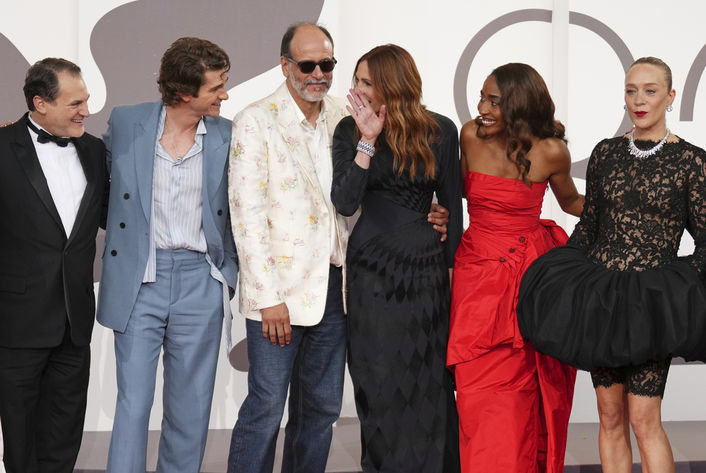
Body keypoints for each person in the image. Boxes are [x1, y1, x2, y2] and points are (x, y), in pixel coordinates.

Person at [227, 25, 448, 473]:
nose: (319, 74)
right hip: (280, 293)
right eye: (308, 65)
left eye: (326, 64)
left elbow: (371, 186)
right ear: (285, 66)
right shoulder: (256, 120)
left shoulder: (343, 115)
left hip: (339, 288)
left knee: (322, 410)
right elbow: (246, 217)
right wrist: (266, 298)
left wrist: (426, 210)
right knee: (267, 407)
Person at [518, 57, 706, 473]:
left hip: (650, 306)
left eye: (650, 91)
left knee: (644, 419)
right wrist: (561, 272)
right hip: (603, 302)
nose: (639, 100)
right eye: (631, 90)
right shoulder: (605, 153)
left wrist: (677, 288)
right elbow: (590, 227)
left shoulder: (692, 162)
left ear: (671, 97)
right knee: (610, 416)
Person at [96, 37, 238, 473]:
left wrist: (226, 274)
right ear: (184, 92)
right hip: (141, 279)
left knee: (191, 408)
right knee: (133, 403)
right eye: (216, 87)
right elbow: (96, 182)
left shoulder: (227, 134)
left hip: (200, 280)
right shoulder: (127, 121)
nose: (225, 94)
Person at [446, 63, 584, 473]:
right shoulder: (469, 135)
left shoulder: (551, 151)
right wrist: (435, 209)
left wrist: (622, 207)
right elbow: (458, 192)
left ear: (520, 105)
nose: (481, 108)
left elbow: (571, 202)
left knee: (527, 394)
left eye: (494, 101)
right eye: (482, 98)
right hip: (477, 274)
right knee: (476, 392)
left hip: (529, 280)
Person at [331, 44, 462, 473]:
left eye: (367, 82)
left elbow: (453, 209)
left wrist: (453, 279)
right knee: (378, 380)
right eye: (356, 80)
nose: (358, 90)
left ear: (393, 84)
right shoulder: (349, 130)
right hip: (371, 270)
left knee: (428, 381)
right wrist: (367, 141)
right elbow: (345, 202)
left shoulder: (441, 130)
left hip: (425, 271)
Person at [0, 58, 106, 473]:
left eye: (86, 100)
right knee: (20, 440)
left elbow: (112, 216)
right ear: (40, 103)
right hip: (17, 322)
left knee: (64, 434)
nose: (86, 111)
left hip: (74, 322)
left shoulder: (95, 151)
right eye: (75, 103)